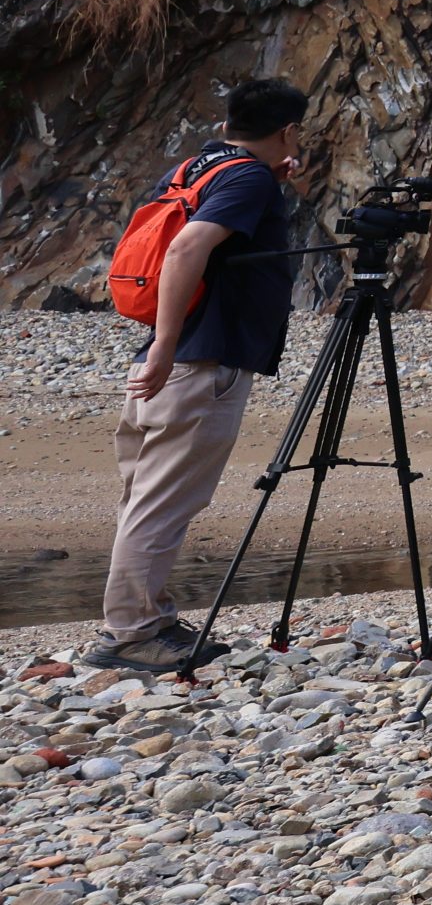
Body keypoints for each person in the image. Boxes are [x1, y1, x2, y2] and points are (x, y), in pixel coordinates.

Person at [89, 79, 315, 672]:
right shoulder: (249, 179)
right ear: (289, 132)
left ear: (227, 127)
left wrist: (161, 347)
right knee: (161, 503)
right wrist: (166, 346)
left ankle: (146, 618)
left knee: (143, 498)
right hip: (195, 363)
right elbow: (188, 248)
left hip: (169, 360)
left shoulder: (200, 166)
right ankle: (133, 632)